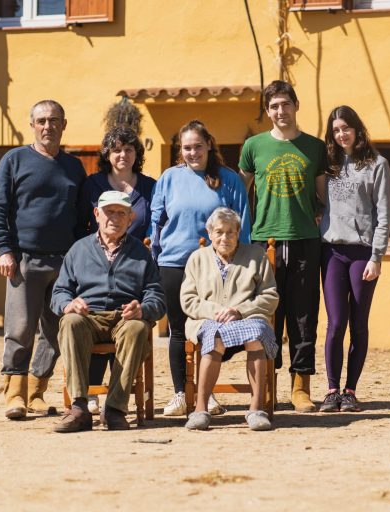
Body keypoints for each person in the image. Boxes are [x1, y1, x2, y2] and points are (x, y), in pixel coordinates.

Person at [0, 99, 88, 420]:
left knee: (56, 330)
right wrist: (3, 249)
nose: (48, 126)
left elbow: (82, 217)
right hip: (24, 261)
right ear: (32, 125)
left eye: (54, 120)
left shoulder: (74, 167)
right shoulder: (14, 160)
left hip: (64, 263)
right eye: (41, 120)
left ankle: (36, 391)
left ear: (63, 124)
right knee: (20, 327)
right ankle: (14, 394)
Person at [151, 120, 252, 417]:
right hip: (173, 264)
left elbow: (242, 225)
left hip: (216, 267)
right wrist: (154, 257)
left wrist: (238, 264)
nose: (192, 152)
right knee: (179, 331)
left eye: (198, 146)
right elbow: (156, 223)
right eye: (186, 148)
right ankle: (182, 393)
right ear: (180, 150)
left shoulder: (228, 180)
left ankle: (204, 396)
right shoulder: (169, 178)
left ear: (209, 145)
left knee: (212, 329)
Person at [238, 80, 327, 413]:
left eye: (285, 104)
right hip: (264, 242)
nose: (280, 111)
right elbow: (237, 193)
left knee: (304, 316)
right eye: (273, 106)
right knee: (265, 316)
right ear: (267, 111)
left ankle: (300, 386)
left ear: (296, 105)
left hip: (305, 239)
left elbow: (323, 197)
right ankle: (267, 384)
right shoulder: (254, 147)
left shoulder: (314, 148)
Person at [50, 191, 166, 432]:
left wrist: (142, 309)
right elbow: (59, 293)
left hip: (125, 318)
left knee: (137, 328)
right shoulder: (78, 250)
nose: (115, 217)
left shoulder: (142, 253)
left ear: (130, 218)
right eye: (109, 212)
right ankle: (80, 408)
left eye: (121, 212)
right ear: (96, 214)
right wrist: (69, 305)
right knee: (69, 322)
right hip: (88, 318)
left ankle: (115, 410)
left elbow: (157, 298)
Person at [318, 106, 390, 413]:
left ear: (357, 129)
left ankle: (350, 391)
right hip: (332, 251)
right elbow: (318, 202)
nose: (341, 134)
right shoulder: (327, 165)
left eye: (346, 128)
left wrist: (377, 256)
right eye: (335, 130)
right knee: (336, 323)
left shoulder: (377, 164)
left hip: (363, 254)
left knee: (358, 323)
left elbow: (384, 215)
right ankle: (332, 389)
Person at [181, 208, 279, 431]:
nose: (224, 238)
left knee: (256, 336)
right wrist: (216, 311)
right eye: (219, 232)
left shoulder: (256, 255)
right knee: (214, 337)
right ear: (210, 233)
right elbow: (188, 299)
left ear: (238, 233)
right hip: (208, 318)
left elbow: (270, 295)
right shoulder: (197, 258)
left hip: (247, 317)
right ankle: (200, 410)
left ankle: (256, 409)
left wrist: (239, 310)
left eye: (230, 232)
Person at [82, 126, 156, 415]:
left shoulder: (150, 186)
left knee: (126, 320)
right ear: (107, 154)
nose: (122, 154)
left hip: (136, 265)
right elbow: (83, 226)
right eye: (116, 150)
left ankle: (117, 394)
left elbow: (157, 223)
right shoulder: (93, 184)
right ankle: (90, 392)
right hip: (99, 262)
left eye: (128, 149)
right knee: (97, 312)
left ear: (136, 153)